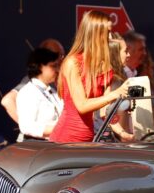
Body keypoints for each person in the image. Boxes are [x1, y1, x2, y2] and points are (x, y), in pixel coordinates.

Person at [48, 10, 131, 143]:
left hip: (87, 140)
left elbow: (105, 113)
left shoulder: (105, 66)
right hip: (65, 140)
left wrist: (123, 133)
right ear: (95, 34)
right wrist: (116, 93)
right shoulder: (73, 62)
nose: (110, 38)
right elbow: (82, 105)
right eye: (107, 32)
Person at [0, 38, 65, 124]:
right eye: (57, 56)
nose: (60, 60)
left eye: (62, 56)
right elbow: (7, 101)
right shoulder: (33, 81)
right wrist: (30, 128)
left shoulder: (59, 79)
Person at [15, 47, 63, 141]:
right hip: (38, 147)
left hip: (54, 144)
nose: (57, 70)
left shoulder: (52, 92)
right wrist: (59, 128)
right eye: (53, 66)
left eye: (57, 66)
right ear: (40, 66)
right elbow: (26, 127)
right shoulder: (28, 92)